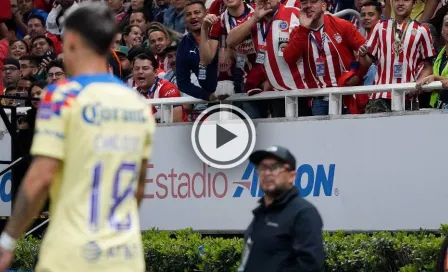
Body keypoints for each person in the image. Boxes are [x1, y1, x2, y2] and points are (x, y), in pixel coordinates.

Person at [0, 3, 155, 272]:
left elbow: (40, 178)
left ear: (70, 40)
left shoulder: (63, 97)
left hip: (72, 254)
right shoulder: (138, 105)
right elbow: (139, 187)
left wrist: (8, 239)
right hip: (125, 256)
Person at [238, 145, 325, 272]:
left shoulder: (303, 213)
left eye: (275, 167)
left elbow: (310, 266)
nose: (267, 173)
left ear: (292, 176)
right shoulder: (261, 212)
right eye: (262, 168)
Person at [416, 12, 448, 109]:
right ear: (442, 30)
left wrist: (435, 77)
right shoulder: (439, 55)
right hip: (438, 108)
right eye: (447, 25)